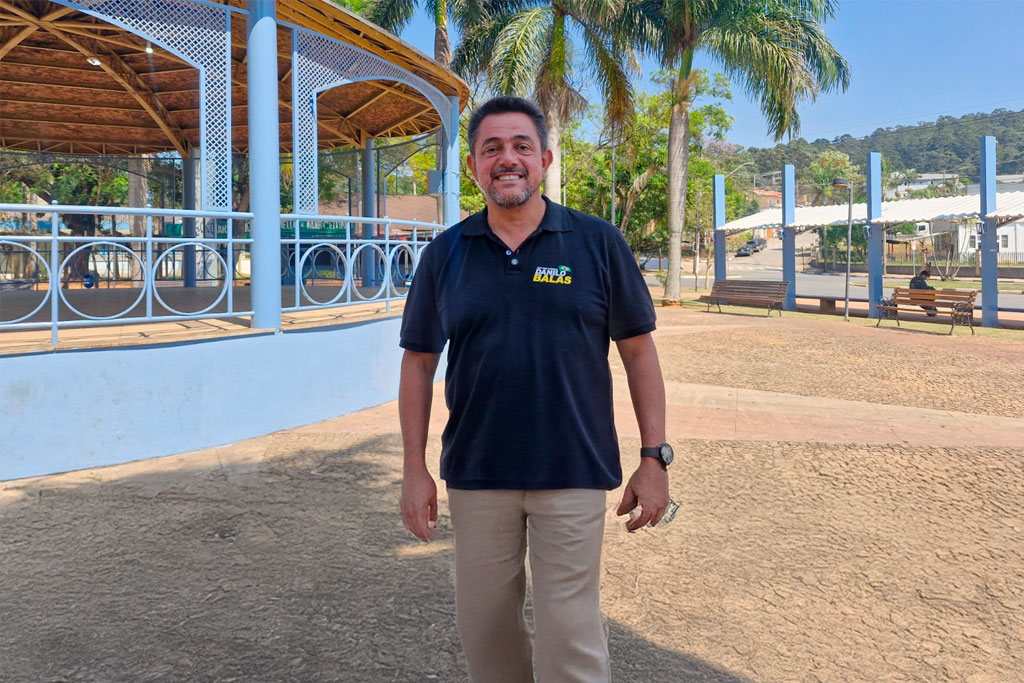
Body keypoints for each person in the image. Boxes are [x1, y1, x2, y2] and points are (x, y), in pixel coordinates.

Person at [398, 96, 671, 683]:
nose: (508, 158)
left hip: (572, 468)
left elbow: (639, 351)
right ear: (473, 167)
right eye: (491, 148)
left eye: (521, 146)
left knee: (569, 634)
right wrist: (413, 469)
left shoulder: (596, 243)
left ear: (544, 158)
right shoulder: (445, 254)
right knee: (486, 631)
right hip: (477, 473)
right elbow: (419, 362)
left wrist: (654, 458)